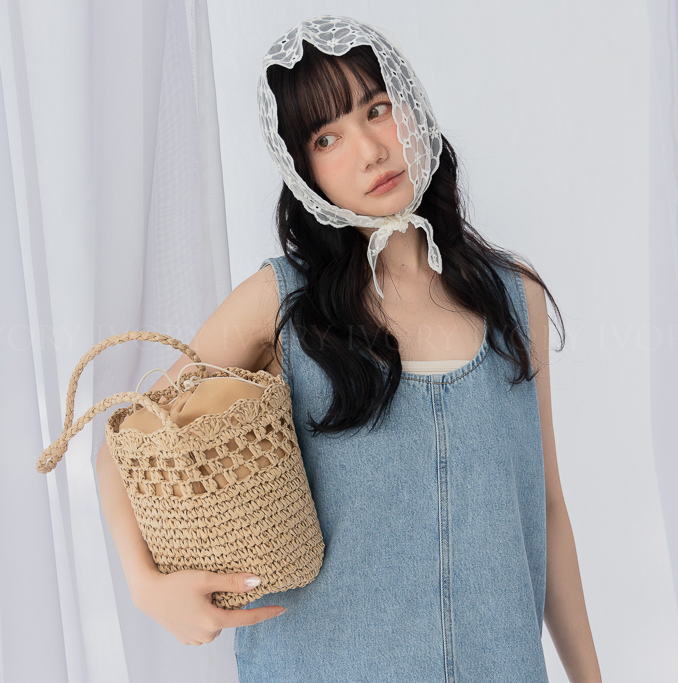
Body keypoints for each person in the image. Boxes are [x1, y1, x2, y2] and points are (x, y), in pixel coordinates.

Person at [95, 15, 602, 682]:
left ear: (413, 107)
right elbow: (124, 444)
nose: (369, 150)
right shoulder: (281, 301)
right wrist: (147, 586)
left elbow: (546, 507)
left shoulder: (514, 297)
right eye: (326, 137)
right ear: (302, 169)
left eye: (377, 108)